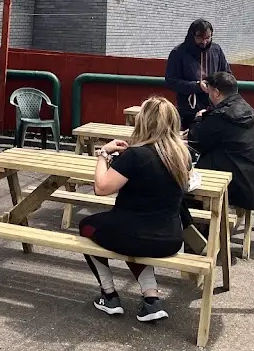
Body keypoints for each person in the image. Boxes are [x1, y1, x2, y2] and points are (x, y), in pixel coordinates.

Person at [79, 95, 191, 323]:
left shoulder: (135, 156)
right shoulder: (182, 156)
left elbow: (101, 188)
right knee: (132, 234)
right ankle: (151, 299)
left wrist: (103, 154)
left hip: (133, 235)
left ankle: (108, 295)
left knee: (87, 226)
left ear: (143, 122)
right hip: (170, 238)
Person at [188, 72, 254, 213]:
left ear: (216, 93)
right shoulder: (247, 108)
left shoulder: (222, 115)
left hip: (236, 188)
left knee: (188, 170)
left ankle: (200, 222)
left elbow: (196, 141)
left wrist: (198, 119)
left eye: (210, 92)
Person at [165, 19, 230, 129]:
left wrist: (215, 85)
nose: (204, 42)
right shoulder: (178, 53)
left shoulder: (216, 50)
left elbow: (227, 75)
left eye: (208, 38)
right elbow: (171, 81)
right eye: (200, 38)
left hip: (215, 108)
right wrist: (196, 86)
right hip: (188, 110)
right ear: (192, 36)